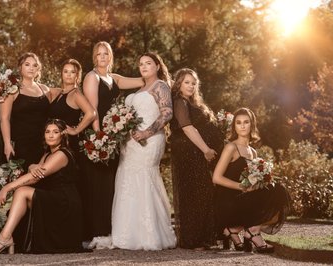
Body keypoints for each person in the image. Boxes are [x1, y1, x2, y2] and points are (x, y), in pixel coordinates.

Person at [90, 52, 176, 250]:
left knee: (145, 177)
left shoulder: (160, 86)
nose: (144, 67)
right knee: (126, 179)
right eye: (141, 64)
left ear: (157, 66)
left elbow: (167, 113)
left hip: (150, 139)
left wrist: (147, 132)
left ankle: (149, 234)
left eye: (148, 63)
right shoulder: (140, 87)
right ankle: (126, 234)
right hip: (128, 143)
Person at [0, 119, 84, 254]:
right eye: (47, 132)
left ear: (63, 135)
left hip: (65, 203)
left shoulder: (61, 154)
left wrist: (7, 187)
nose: (51, 135)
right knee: (22, 191)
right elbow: (36, 169)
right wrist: (32, 166)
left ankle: (5, 238)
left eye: (55, 132)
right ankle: (6, 237)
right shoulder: (48, 154)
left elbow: (36, 177)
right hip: (55, 199)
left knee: (21, 191)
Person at [80, 41, 144, 243]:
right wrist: (100, 139)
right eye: (98, 54)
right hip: (99, 140)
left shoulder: (114, 78)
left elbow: (140, 81)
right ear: (94, 57)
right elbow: (93, 111)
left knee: (113, 186)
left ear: (110, 56)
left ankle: (111, 230)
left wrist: (157, 77)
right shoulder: (92, 77)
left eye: (105, 53)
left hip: (115, 140)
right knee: (101, 186)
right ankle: (96, 233)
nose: (102, 57)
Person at [212, 108, 290, 253]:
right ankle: (251, 231)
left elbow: (252, 180)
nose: (242, 126)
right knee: (277, 190)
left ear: (252, 125)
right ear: (234, 126)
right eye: (238, 122)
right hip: (227, 200)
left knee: (277, 190)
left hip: (243, 197)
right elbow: (216, 178)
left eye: (246, 122)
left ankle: (234, 230)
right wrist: (241, 186)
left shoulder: (253, 151)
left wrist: (261, 181)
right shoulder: (231, 147)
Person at [170, 68, 224, 249]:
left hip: (195, 154)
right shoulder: (179, 102)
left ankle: (202, 238)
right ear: (179, 84)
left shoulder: (191, 102)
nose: (191, 86)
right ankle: (194, 239)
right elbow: (187, 128)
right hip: (189, 154)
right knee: (195, 194)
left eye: (194, 83)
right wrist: (206, 149)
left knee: (203, 192)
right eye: (187, 82)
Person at [0, 52, 51, 171]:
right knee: (23, 181)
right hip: (20, 145)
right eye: (27, 64)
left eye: (34, 65)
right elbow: (4, 118)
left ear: (38, 69)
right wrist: (7, 144)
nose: (31, 68)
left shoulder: (45, 89)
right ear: (20, 67)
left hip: (43, 144)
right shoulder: (11, 89)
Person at [48, 58, 96, 154]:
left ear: (77, 75)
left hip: (68, 144)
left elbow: (91, 113)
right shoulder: (59, 92)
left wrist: (75, 130)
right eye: (66, 71)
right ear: (62, 74)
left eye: (72, 72)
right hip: (54, 142)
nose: (68, 74)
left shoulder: (75, 94)